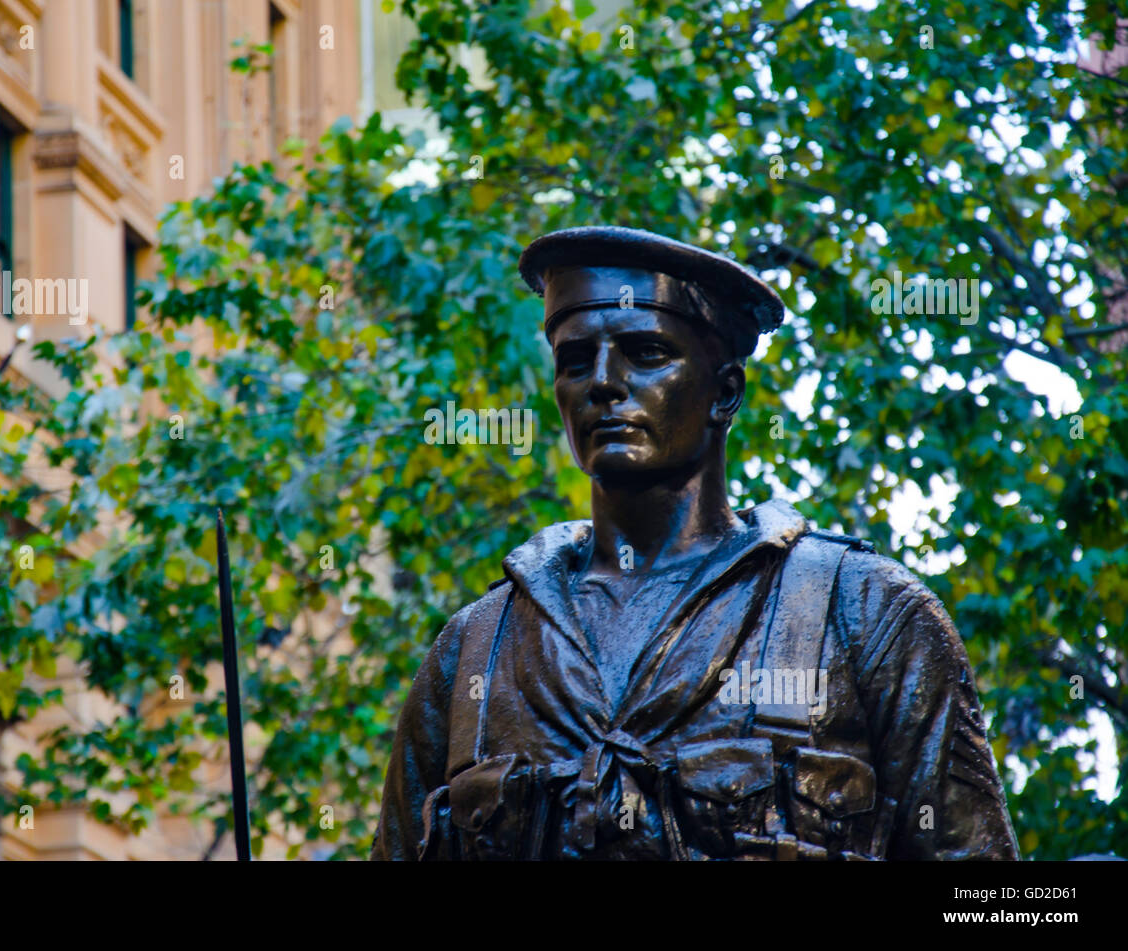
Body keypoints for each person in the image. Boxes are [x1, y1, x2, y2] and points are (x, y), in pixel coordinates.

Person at [372, 226, 1019, 860]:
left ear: (725, 392)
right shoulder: (474, 650)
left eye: (645, 353)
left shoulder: (866, 615)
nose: (602, 382)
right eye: (575, 361)